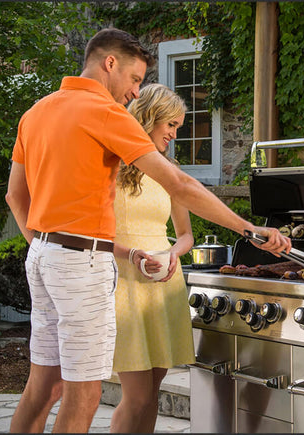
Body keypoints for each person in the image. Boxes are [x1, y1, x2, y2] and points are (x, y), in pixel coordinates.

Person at [5, 28, 291, 433]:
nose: (136, 92)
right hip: (82, 263)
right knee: (83, 394)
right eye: (135, 79)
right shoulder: (105, 112)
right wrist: (247, 228)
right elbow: (180, 185)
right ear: (109, 64)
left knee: (44, 386)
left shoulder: (35, 112)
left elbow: (15, 198)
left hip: (43, 257)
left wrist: (46, 247)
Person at [108, 83, 194, 433]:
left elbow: (186, 234)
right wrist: (130, 253)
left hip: (164, 283)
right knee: (137, 397)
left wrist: (174, 252)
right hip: (124, 284)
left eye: (177, 127)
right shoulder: (110, 166)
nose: (174, 134)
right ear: (149, 118)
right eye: (170, 125)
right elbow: (95, 234)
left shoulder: (168, 171)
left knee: (153, 395)